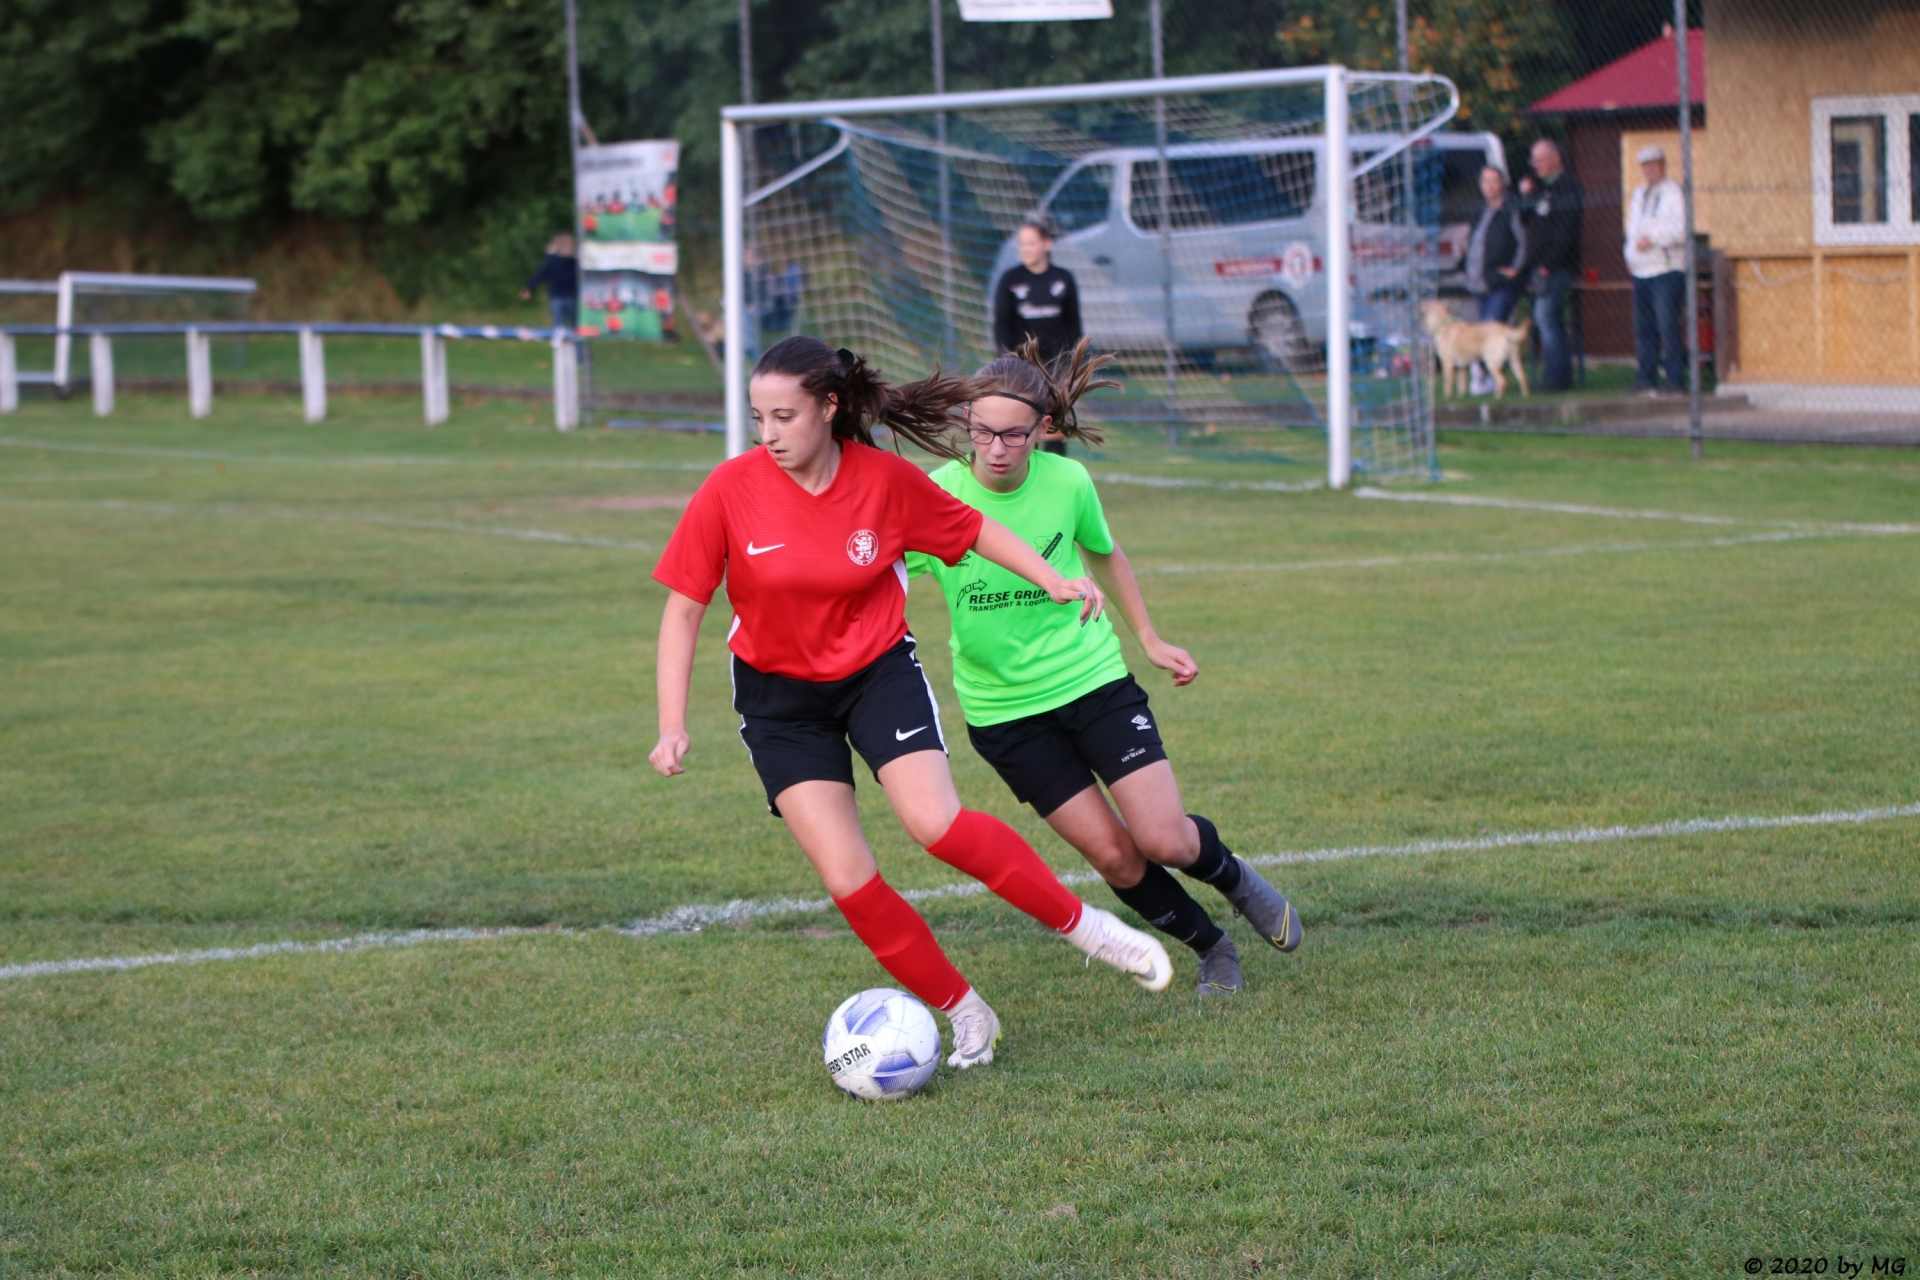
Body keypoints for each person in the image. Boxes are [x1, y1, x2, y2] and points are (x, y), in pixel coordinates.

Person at [649, 335, 1175, 1073]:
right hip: (780, 704)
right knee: (847, 879)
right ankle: (967, 1013)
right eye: (758, 417)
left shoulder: (883, 481)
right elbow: (684, 609)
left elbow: (975, 529)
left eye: (784, 416)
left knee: (935, 824)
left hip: (877, 675)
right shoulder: (729, 488)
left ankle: (1087, 928)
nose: (767, 434)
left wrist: (1052, 579)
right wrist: (671, 725)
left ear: (828, 408)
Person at [906, 338, 1303, 999]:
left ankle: (1233, 878)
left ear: (1044, 429)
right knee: (1115, 856)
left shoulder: (1068, 483)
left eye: (1013, 435)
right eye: (982, 432)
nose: (996, 449)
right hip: (1003, 714)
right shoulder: (936, 493)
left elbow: (1105, 553)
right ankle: (1213, 948)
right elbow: (885, 567)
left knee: (1164, 839)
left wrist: (1148, 636)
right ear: (966, 423)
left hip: (1092, 681)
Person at [991, 219, 1082, 456]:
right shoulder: (1010, 280)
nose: (1026, 249)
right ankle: (1024, 464)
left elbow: (1074, 324)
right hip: (1023, 366)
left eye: (1031, 243)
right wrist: (1009, 361)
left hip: (1056, 364)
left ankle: (1054, 466)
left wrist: (1071, 363)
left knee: (1054, 422)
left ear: (1047, 244)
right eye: (1022, 244)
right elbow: (1002, 325)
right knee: (1024, 420)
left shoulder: (1063, 278)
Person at [1511, 140, 1583, 393]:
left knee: (1547, 317)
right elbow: (1525, 219)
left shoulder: (1568, 186)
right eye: (1534, 161)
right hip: (1537, 266)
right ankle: (1556, 374)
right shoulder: (1539, 188)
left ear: (1555, 158)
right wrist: (1526, 196)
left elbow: (1567, 231)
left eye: (1540, 160)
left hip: (1555, 267)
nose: (1536, 166)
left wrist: (1548, 265)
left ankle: (1556, 377)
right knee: (1546, 320)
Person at [1625, 144, 1688, 396]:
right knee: (1644, 328)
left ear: (1663, 165)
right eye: (1646, 165)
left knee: (1667, 325)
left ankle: (1673, 380)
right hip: (1641, 271)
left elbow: (1680, 231)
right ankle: (1646, 377)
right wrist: (1630, 255)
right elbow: (1632, 230)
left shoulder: (1674, 193)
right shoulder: (1639, 194)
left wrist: (1653, 239)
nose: (1650, 169)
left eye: (1654, 164)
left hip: (1666, 270)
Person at [1463, 165, 1527, 396]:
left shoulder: (1512, 209)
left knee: (1492, 325)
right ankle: (1485, 375)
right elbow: (1474, 242)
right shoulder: (1479, 211)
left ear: (1502, 184)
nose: (1490, 186)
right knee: (1483, 330)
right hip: (1477, 281)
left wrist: (1516, 269)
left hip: (1499, 281)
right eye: (1486, 181)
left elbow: (1523, 241)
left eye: (1494, 181)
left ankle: (1485, 375)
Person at [521, 234, 579, 331]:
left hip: (556, 297)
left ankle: (561, 339)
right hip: (571, 297)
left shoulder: (551, 261)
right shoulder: (574, 262)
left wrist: (529, 288)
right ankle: (578, 340)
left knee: (559, 326)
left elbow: (540, 275)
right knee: (576, 326)